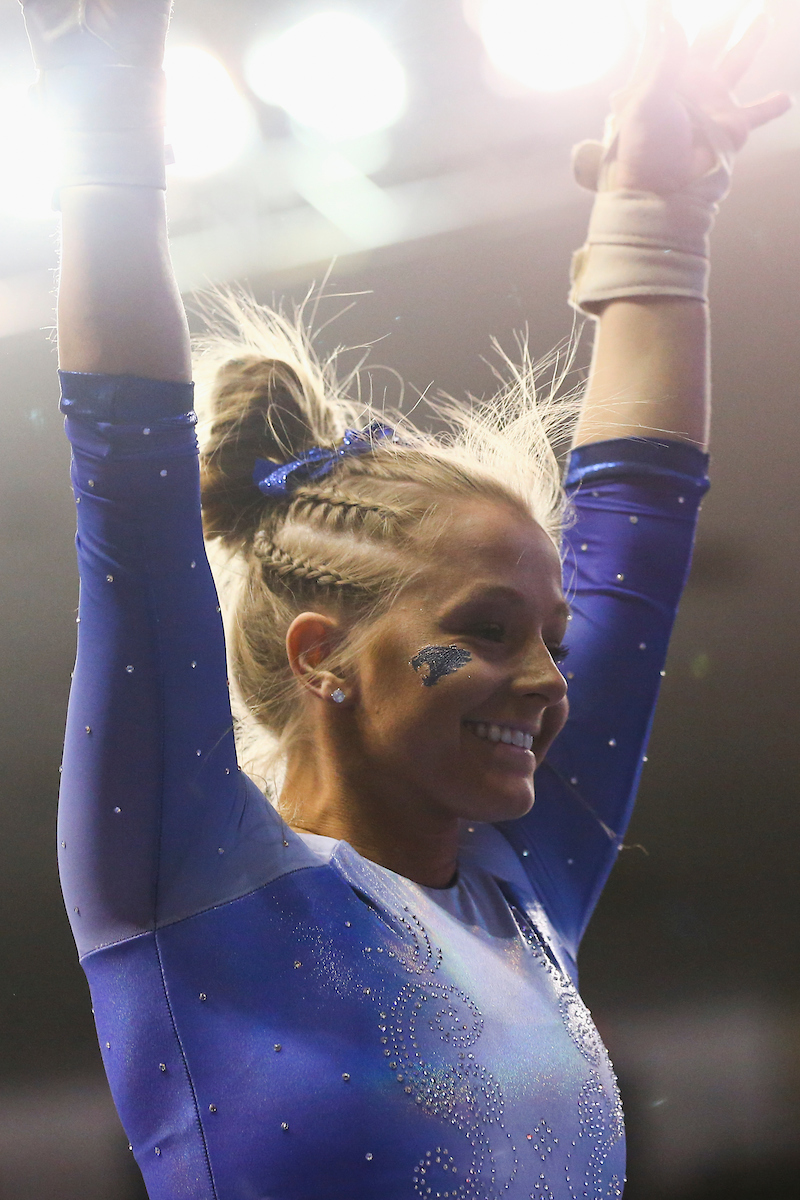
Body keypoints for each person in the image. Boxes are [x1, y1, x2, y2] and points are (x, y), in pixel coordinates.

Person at [20, 0, 790, 1197]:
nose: (546, 684)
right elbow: (130, 487)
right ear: (324, 654)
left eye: (549, 637)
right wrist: (110, 142)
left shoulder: (517, 892)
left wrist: (660, 211)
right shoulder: (197, 874)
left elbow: (641, 534)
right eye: (483, 632)